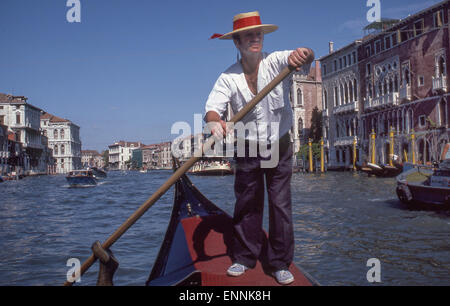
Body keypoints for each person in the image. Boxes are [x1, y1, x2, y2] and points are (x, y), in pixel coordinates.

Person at [205, 11, 314, 285]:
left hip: (279, 145)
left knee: (280, 205)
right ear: (237, 43)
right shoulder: (227, 77)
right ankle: (244, 257)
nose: (255, 39)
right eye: (248, 36)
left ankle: (279, 263)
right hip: (247, 149)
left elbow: (305, 56)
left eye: (258, 34)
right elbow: (212, 109)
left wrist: (304, 53)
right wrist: (214, 123)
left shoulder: (278, 61)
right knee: (247, 205)